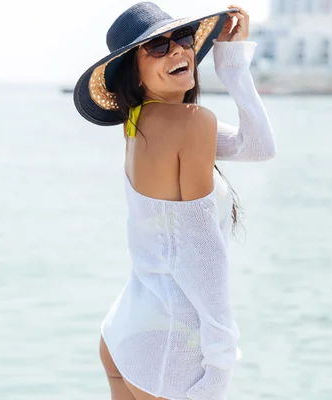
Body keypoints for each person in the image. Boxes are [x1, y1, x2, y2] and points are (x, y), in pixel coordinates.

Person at [73, 2, 276, 399]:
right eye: (157, 48)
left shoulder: (141, 121)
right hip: (166, 351)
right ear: (133, 69)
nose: (178, 51)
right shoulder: (191, 122)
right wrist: (220, 364)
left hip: (125, 333)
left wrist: (233, 64)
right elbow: (202, 254)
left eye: (181, 39)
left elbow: (256, 147)